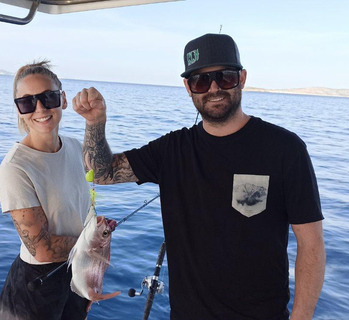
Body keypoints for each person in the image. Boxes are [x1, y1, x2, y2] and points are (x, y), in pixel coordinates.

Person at [73, 33, 326, 319]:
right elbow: (101, 173)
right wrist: (95, 122)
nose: (214, 88)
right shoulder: (171, 150)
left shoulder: (285, 149)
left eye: (225, 77)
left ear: (242, 78)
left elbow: (311, 243)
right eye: (201, 80)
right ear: (188, 87)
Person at [0, 61, 91, 320]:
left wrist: (96, 119)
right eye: (27, 102)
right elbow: (42, 248)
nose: (39, 108)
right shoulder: (15, 167)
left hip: (75, 271)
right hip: (35, 285)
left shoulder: (75, 147)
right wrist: (95, 245)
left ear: (62, 99)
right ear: (18, 109)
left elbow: (104, 173)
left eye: (48, 97)